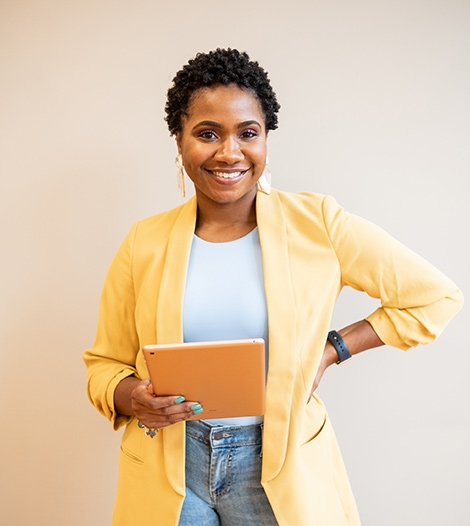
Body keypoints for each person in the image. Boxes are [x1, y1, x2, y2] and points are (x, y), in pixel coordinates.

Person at [83, 48, 463, 526]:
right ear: (178, 141)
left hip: (278, 464)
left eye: (248, 133)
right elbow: (104, 365)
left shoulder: (318, 223)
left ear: (265, 140)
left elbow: (434, 296)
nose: (229, 152)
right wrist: (129, 394)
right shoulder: (144, 241)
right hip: (170, 467)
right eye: (207, 134)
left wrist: (331, 349)